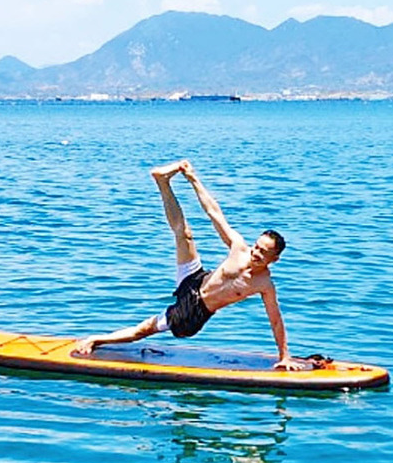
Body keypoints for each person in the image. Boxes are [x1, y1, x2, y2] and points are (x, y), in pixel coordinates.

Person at [72, 159, 315, 371]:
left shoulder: (264, 285)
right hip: (195, 278)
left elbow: (275, 320)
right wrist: (193, 179)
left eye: (264, 253)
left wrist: (284, 356)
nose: (256, 253)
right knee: (184, 233)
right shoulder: (239, 247)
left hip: (194, 312)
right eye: (257, 247)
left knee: (142, 330)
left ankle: (96, 340)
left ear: (275, 259)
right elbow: (214, 212)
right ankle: (162, 182)